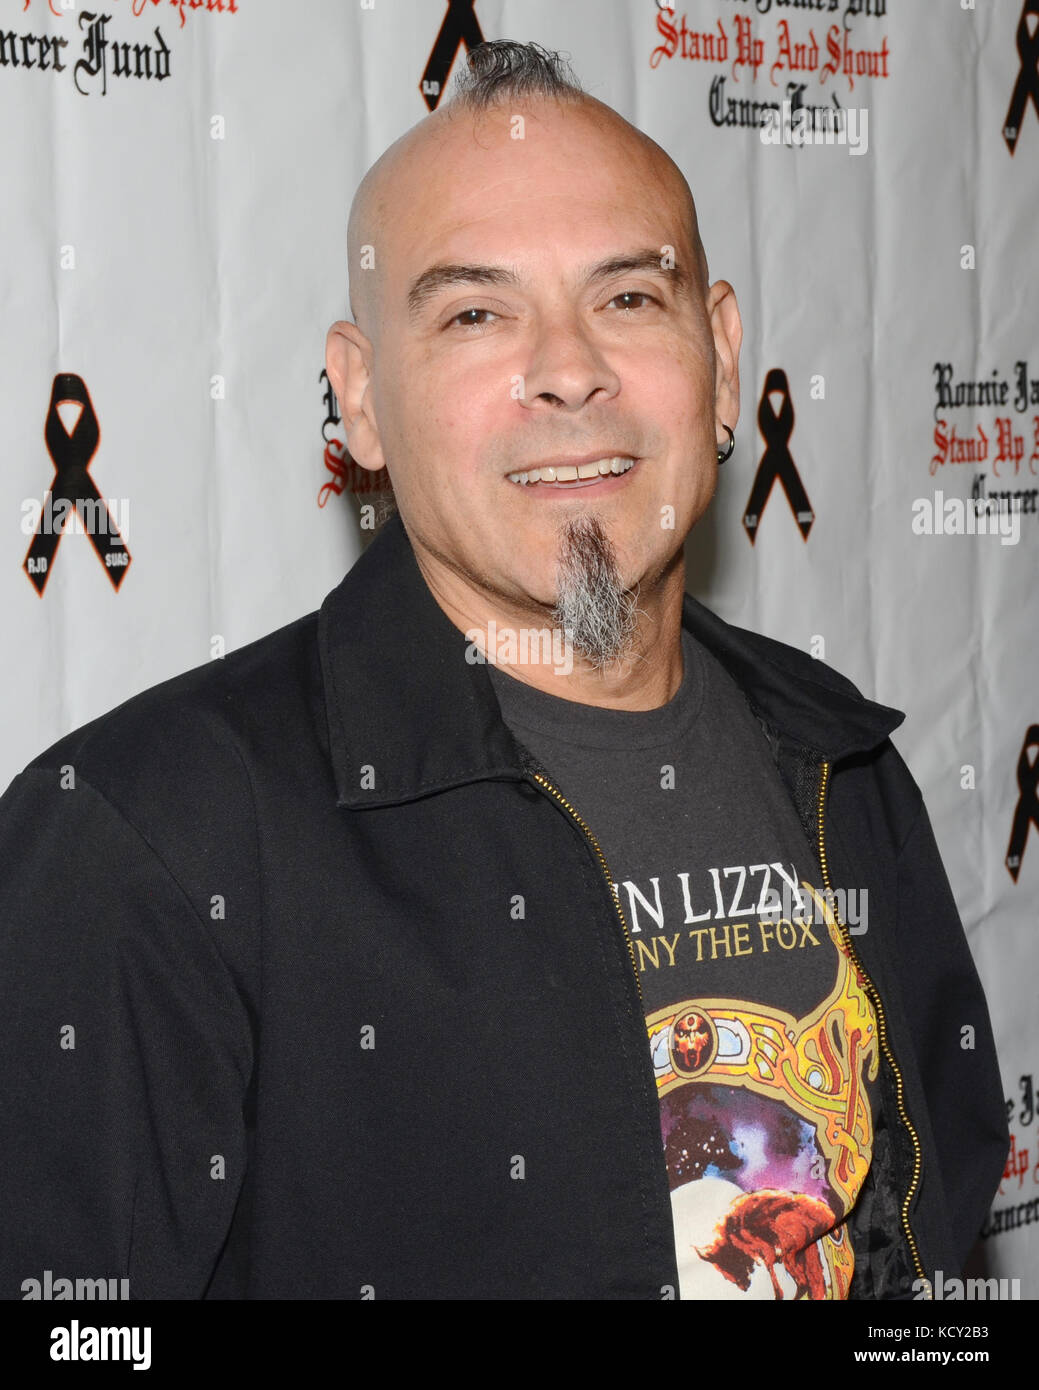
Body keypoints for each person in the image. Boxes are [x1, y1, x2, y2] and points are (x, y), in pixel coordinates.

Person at [0, 40, 1008, 1301]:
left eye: (629, 298)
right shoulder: (147, 833)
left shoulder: (838, 760)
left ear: (722, 357)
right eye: (476, 311)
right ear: (359, 402)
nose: (570, 368)